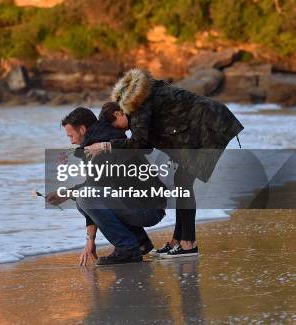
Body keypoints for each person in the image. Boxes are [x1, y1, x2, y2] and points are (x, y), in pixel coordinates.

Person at [86, 69, 244, 258]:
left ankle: (188, 244)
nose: (124, 130)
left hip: (211, 124)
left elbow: (140, 142)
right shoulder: (144, 94)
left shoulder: (136, 105)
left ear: (119, 113)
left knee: (183, 183)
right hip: (206, 123)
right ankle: (179, 241)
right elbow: (147, 143)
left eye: (118, 127)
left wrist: (105, 146)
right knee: (181, 181)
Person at [49, 104, 166, 266]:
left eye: (71, 135)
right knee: (86, 196)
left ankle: (127, 248)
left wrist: (90, 240)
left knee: (84, 198)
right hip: (149, 205)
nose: (72, 141)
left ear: (82, 130)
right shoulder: (104, 137)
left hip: (148, 210)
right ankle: (139, 242)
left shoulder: (98, 146)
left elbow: (92, 194)